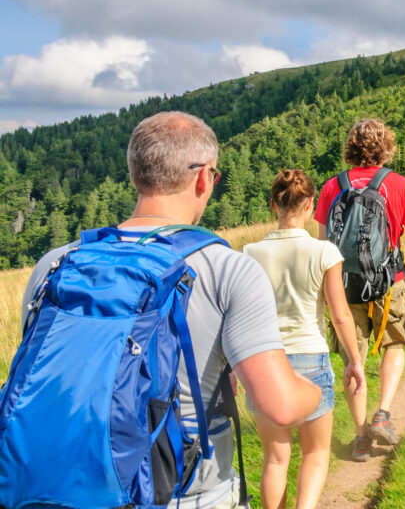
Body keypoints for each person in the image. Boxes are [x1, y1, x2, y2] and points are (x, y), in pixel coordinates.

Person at [20, 111, 323, 509]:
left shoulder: (56, 264)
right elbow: (279, 406)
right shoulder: (228, 268)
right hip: (184, 492)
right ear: (204, 178)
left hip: (62, 485)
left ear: (136, 176)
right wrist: (315, 391)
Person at [313, 118, 405, 461]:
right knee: (394, 343)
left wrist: (326, 294)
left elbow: (323, 248)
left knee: (353, 359)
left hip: (344, 287)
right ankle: (383, 413)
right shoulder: (400, 185)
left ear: (350, 148)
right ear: (387, 147)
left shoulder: (331, 187)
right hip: (389, 282)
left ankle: (361, 438)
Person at [242, 169, 365, 509]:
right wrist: (354, 361)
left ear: (273, 204)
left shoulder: (250, 253)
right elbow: (340, 315)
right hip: (311, 358)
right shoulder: (324, 252)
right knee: (316, 453)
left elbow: (240, 318)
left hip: (265, 363)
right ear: (311, 204)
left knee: (274, 459)